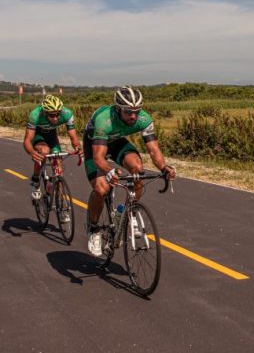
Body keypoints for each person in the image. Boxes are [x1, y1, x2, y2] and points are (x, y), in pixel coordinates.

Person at [84, 86, 176, 256]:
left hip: (116, 140)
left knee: (137, 169)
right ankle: (94, 228)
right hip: (94, 145)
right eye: (128, 112)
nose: (133, 116)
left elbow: (154, 150)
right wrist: (109, 171)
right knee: (101, 188)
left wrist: (164, 168)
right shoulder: (104, 120)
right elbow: (98, 158)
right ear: (118, 109)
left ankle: (126, 212)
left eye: (136, 111)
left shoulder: (144, 119)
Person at [23, 95, 83, 202]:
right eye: (51, 115)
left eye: (57, 114)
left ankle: (62, 206)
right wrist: (32, 152)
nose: (55, 118)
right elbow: (27, 140)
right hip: (38, 135)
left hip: (52, 136)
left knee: (58, 163)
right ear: (45, 112)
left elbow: (73, 137)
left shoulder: (67, 114)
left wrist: (78, 148)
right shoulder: (35, 115)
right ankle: (36, 179)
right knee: (44, 151)